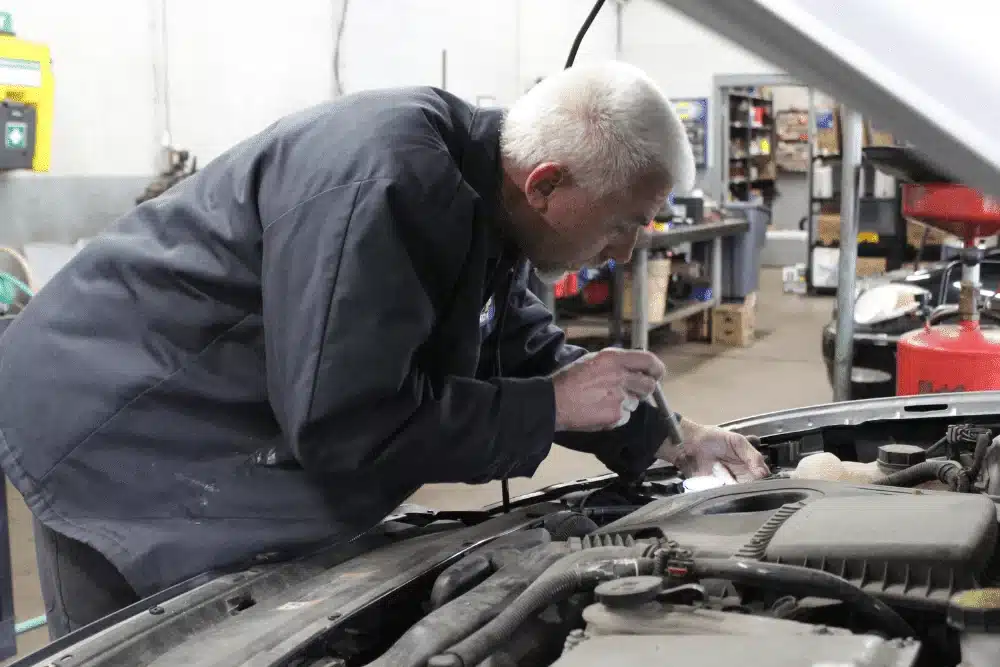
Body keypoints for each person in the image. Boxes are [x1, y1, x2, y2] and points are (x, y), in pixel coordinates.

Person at [0, 61, 768, 638]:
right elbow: (345, 422)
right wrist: (549, 405)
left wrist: (671, 439)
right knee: (155, 646)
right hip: (111, 426)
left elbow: (512, 343)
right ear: (546, 183)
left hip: (214, 413)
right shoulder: (388, 180)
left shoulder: (486, 200)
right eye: (627, 220)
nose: (629, 248)